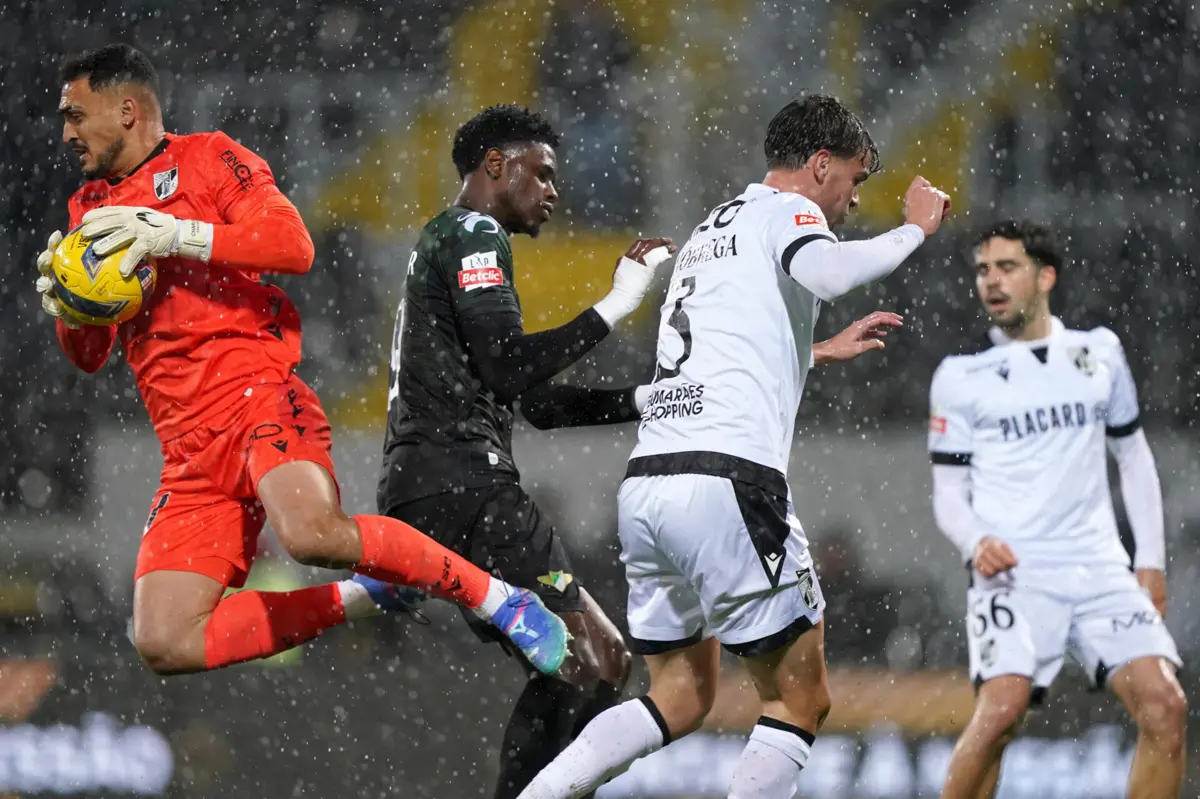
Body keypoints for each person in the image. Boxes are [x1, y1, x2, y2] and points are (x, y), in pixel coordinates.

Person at [33, 44, 569, 679]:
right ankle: (366, 595)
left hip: (256, 395)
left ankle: (500, 599)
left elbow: (293, 244)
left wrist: (174, 234)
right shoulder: (86, 209)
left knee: (312, 534)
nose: (65, 132)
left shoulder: (208, 158)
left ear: (126, 109)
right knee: (164, 639)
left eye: (75, 114)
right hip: (186, 448)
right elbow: (90, 356)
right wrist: (72, 306)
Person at [515, 93, 951, 799]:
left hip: (652, 484)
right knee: (798, 699)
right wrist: (914, 231)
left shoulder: (713, 226)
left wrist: (809, 350)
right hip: (728, 484)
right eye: (855, 180)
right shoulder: (791, 213)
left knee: (680, 695)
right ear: (819, 165)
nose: (851, 200)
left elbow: (720, 344)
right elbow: (831, 273)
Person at [370, 103, 674, 799]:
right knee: (599, 660)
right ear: (495, 166)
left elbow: (532, 401)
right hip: (467, 485)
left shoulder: (453, 242)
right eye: (541, 172)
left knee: (577, 664)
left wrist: (647, 399)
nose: (553, 190)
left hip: (432, 487)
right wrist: (616, 303)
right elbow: (511, 367)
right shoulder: (475, 232)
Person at [930, 220, 1186, 798]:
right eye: (982, 270)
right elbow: (948, 493)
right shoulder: (961, 377)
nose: (991, 282)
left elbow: (1134, 455)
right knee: (1001, 711)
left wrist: (1150, 558)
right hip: (1015, 573)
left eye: (1006, 267)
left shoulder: (1100, 353)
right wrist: (976, 542)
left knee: (1165, 705)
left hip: (1098, 569)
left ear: (1045, 276)